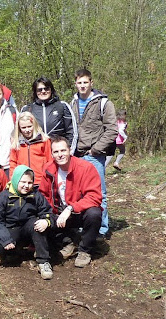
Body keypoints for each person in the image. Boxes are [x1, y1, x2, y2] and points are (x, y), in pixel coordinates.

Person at [39, 136, 103, 268]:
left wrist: (71, 208)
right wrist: (47, 216)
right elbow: (43, 195)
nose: (60, 155)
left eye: (63, 150)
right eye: (56, 152)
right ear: (51, 154)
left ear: (70, 150)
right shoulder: (48, 169)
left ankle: (85, 250)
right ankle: (68, 241)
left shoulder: (85, 168)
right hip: (58, 213)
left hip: (78, 212)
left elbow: (94, 196)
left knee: (94, 213)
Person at [71, 68, 117, 237]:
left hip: (95, 155)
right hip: (77, 155)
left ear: (91, 83)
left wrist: (96, 149)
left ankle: (102, 229)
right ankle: (85, 226)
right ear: (75, 84)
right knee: (80, 193)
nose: (82, 86)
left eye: (85, 82)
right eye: (79, 83)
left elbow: (112, 130)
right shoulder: (73, 103)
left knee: (99, 193)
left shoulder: (104, 103)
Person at [0, 165, 54, 279]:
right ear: (15, 180)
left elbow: (48, 212)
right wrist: (5, 239)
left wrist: (46, 221)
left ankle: (43, 261)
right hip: (11, 228)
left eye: (29, 182)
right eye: (23, 182)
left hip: (29, 227)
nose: (26, 186)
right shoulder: (4, 196)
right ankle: (15, 253)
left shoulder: (36, 195)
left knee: (38, 224)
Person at [21, 77, 77, 152]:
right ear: (35, 91)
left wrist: (70, 151)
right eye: (39, 89)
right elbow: (20, 135)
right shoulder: (27, 109)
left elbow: (71, 131)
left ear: (51, 89)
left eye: (46, 88)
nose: (43, 91)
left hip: (58, 152)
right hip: (36, 152)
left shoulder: (62, 106)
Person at [9, 112, 52, 186]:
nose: (27, 130)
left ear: (34, 125)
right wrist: (13, 179)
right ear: (19, 128)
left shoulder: (44, 140)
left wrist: (48, 177)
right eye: (23, 127)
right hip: (22, 182)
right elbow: (13, 162)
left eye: (29, 126)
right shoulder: (16, 143)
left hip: (40, 181)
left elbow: (50, 161)